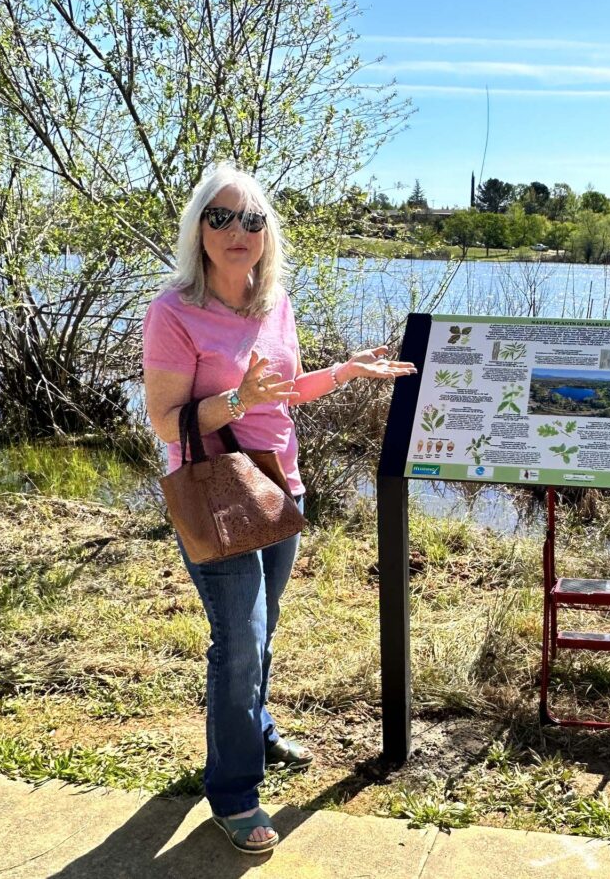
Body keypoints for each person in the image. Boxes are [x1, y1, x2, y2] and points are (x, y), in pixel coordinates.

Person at [142, 164, 416, 854]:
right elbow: (165, 421)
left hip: (278, 486)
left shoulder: (275, 302)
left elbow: (284, 392)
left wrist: (345, 372)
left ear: (268, 235)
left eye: (253, 220)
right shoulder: (173, 310)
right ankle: (235, 791)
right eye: (222, 217)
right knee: (237, 642)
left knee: (261, 634)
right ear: (198, 229)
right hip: (215, 493)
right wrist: (238, 399)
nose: (239, 232)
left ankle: (255, 727)